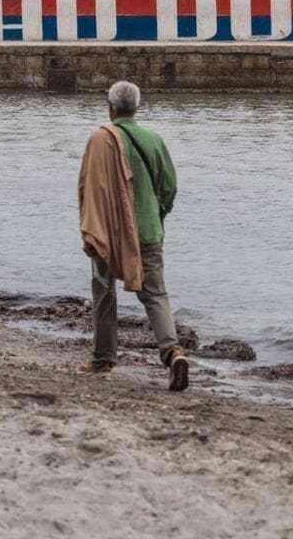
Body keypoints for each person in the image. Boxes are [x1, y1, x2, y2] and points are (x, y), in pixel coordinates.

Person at [77, 80, 187, 391]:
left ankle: (103, 359)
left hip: (108, 232)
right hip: (147, 230)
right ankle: (173, 353)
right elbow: (169, 187)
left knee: (103, 291)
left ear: (110, 108)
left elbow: (88, 187)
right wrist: (156, 214)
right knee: (155, 294)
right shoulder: (153, 139)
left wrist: (90, 226)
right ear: (137, 108)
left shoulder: (100, 139)